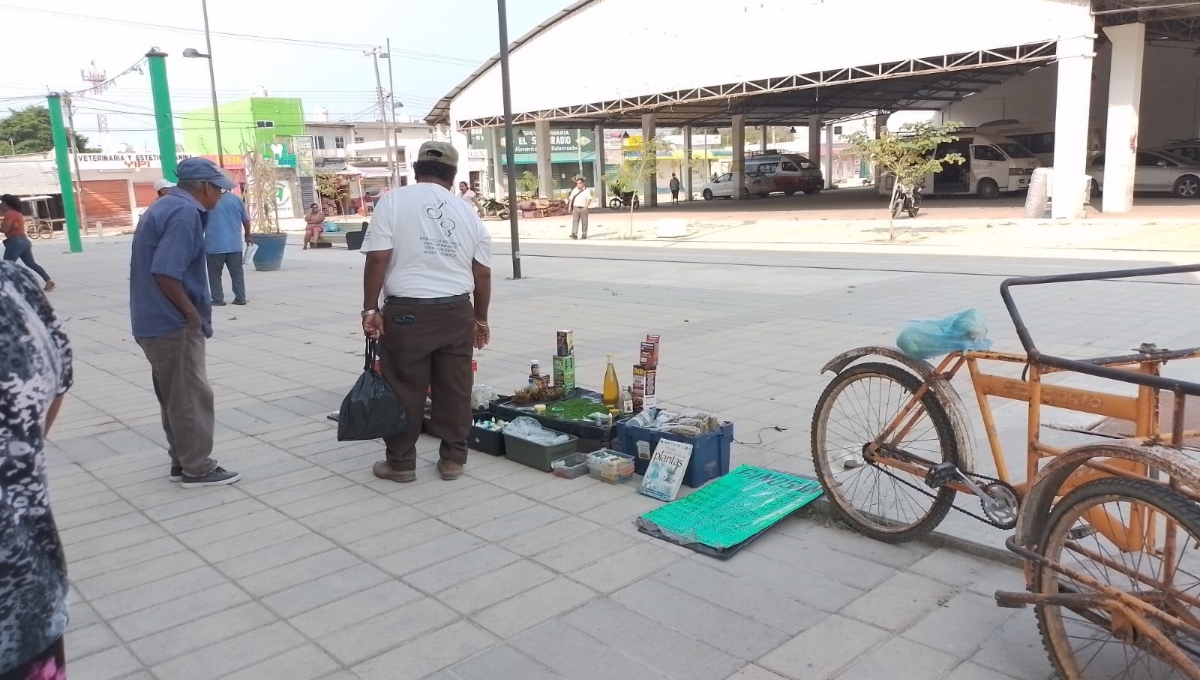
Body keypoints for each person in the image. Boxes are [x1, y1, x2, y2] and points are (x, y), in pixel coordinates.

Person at [361, 141, 491, 483]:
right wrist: (481, 319)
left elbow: (377, 258)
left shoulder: (392, 201)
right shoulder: (468, 213)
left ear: (416, 170)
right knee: (456, 387)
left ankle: (401, 464)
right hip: (456, 309)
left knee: (404, 386)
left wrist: (369, 309)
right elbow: (482, 273)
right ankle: (452, 460)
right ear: (452, 175)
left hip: (407, 312)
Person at [130, 157, 240, 488]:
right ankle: (198, 467)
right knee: (191, 394)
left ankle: (182, 460)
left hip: (152, 318)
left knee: (175, 395)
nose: (221, 197)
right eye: (220, 190)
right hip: (171, 322)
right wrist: (191, 314)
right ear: (205, 187)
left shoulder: (164, 206)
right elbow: (166, 270)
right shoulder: (184, 213)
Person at [0, 261, 73, 680]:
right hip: (27, 598)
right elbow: (56, 387)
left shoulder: (13, 284)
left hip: (25, 608)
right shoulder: (13, 288)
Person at [205, 188, 251, 306]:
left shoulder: (207, 199)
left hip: (214, 245)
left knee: (214, 274)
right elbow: (246, 219)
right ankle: (240, 298)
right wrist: (248, 235)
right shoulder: (236, 199)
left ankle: (218, 299)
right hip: (234, 244)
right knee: (237, 273)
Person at [0, 194, 54, 292]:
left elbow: (5, 229)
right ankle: (48, 280)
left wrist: (3, 226)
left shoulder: (10, 214)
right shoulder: (17, 213)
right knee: (30, 263)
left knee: (6, 265)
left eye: (1, 202)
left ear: (5, 203)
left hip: (15, 242)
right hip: (24, 241)